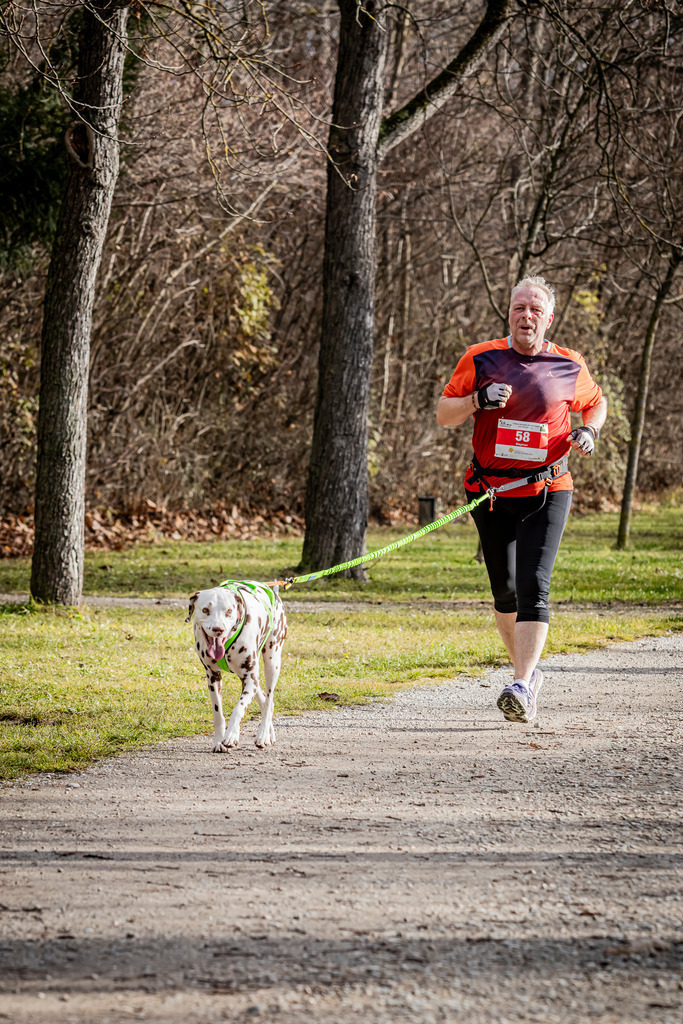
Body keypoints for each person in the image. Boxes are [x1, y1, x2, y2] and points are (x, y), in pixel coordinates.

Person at [436, 276, 607, 723]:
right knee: (506, 591)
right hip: (489, 492)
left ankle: (521, 683)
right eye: (518, 308)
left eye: (535, 309)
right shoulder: (481, 357)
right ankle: (527, 678)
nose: (526, 315)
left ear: (549, 319)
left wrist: (588, 430)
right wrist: (478, 399)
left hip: (548, 489)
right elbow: (444, 414)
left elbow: (596, 403)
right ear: (509, 313)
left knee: (534, 584)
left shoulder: (569, 363)